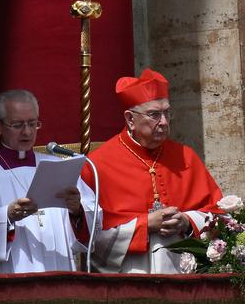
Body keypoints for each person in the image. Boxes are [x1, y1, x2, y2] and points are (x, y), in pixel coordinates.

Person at [84, 68, 223, 273]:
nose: (164, 122)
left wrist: (186, 221)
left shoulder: (186, 156)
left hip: (183, 274)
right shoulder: (97, 164)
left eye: (167, 112)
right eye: (154, 115)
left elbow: (217, 213)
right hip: (129, 278)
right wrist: (145, 225)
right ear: (130, 119)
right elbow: (88, 239)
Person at [0, 89, 98, 272]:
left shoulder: (59, 167)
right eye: (17, 125)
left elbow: (94, 218)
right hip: (6, 280)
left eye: (33, 123)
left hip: (57, 270)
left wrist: (77, 211)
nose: (27, 132)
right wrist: (6, 216)